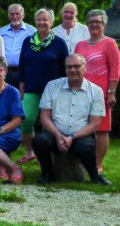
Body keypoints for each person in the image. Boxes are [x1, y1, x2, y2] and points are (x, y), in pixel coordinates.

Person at [32, 54, 111, 185]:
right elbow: (44, 117)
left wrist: (72, 137)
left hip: (80, 136)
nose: (72, 70)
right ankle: (47, 174)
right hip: (54, 134)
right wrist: (58, 136)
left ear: (85, 68)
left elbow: (94, 124)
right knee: (39, 141)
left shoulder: (96, 91)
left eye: (76, 66)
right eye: (69, 67)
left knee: (86, 146)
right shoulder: (52, 86)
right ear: (65, 69)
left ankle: (95, 176)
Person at [17, 8, 69, 164]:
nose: (42, 22)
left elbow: (65, 68)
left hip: (53, 91)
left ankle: (46, 154)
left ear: (51, 22)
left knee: (51, 124)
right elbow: (22, 66)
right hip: (31, 88)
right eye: (39, 19)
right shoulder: (28, 41)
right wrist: (21, 87)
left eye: (45, 20)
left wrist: (65, 89)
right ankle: (29, 152)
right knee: (26, 120)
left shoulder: (59, 43)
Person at [74, 9, 119, 174]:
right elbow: (74, 69)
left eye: (98, 22)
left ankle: (97, 165)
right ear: (87, 24)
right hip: (80, 92)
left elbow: (115, 69)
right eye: (91, 21)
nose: (94, 24)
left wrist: (111, 92)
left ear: (104, 24)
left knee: (101, 129)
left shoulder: (110, 43)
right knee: (81, 127)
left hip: (100, 94)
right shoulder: (80, 45)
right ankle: (81, 162)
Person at [0, 4, 36, 89]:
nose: (14, 16)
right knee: (6, 98)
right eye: (12, 14)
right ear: (8, 16)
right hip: (5, 72)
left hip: (24, 72)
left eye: (17, 13)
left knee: (23, 99)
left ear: (23, 15)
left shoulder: (32, 31)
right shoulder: (2, 31)